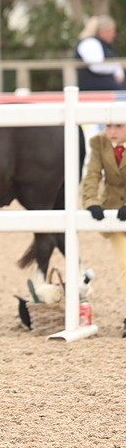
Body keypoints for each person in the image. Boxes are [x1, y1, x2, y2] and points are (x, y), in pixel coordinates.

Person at [81, 120, 126, 337]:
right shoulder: (98, 142)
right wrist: (91, 202)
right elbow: (92, 174)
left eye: (118, 126)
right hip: (114, 212)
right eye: (108, 126)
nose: (112, 132)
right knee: (125, 264)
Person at [75, 15, 124, 92]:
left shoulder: (106, 45)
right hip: (94, 85)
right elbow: (96, 66)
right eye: (111, 31)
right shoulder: (89, 43)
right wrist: (119, 65)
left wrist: (119, 72)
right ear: (102, 31)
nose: (113, 35)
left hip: (107, 82)